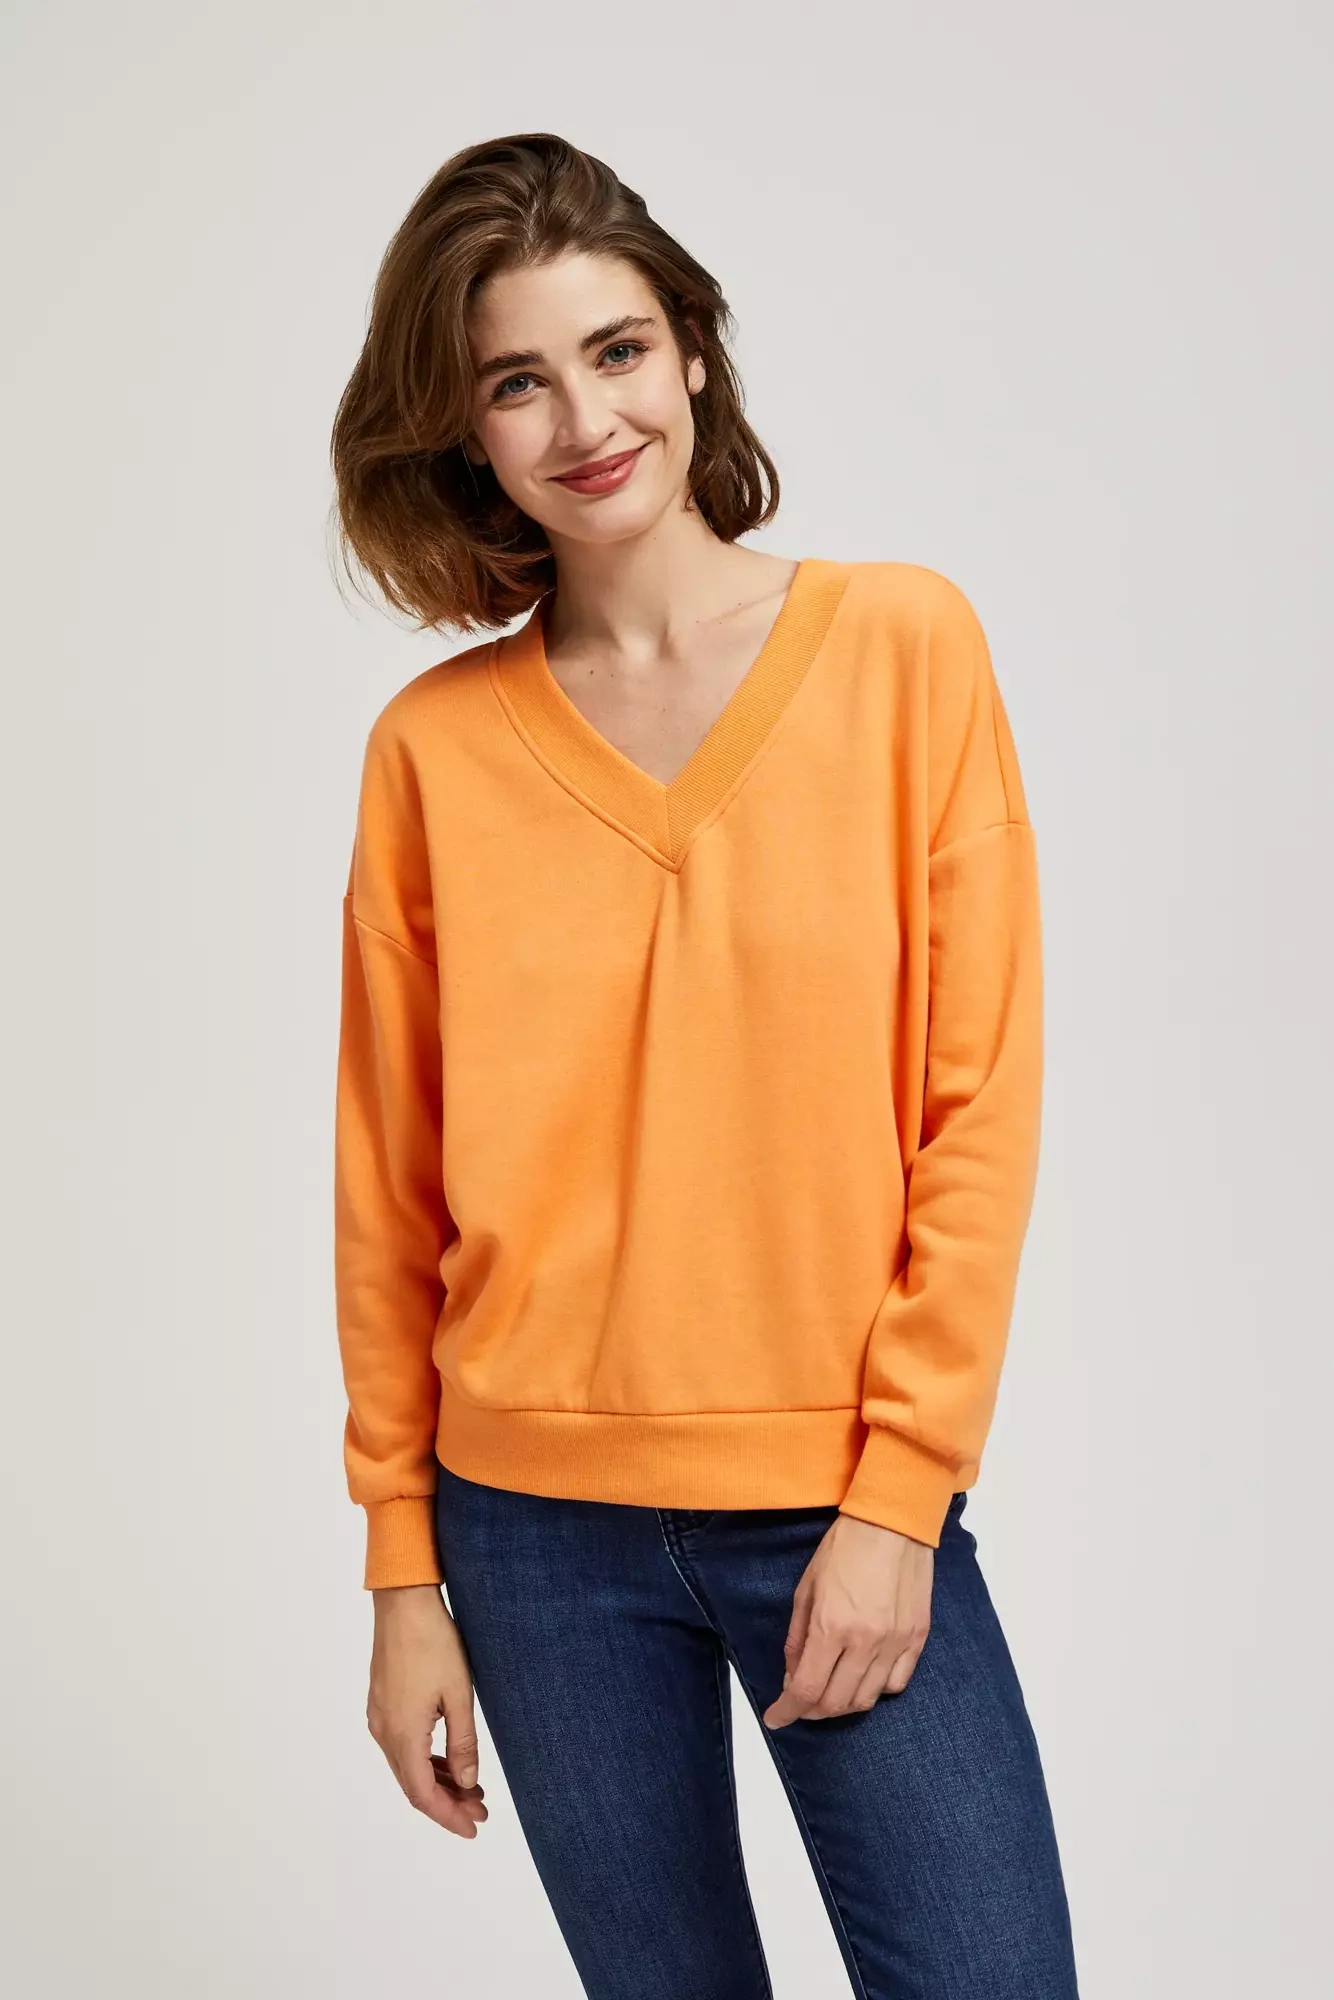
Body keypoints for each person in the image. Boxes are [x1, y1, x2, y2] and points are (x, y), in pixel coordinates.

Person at [328, 131, 1081, 1999]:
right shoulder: (431, 751)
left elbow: (974, 1110)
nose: (586, 419)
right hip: (529, 1538)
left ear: (689, 352)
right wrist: (403, 1571)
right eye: (517, 380)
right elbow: (388, 1191)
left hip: (837, 1493)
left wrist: (899, 1500)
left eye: (617, 350)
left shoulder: (902, 647)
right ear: (463, 431)